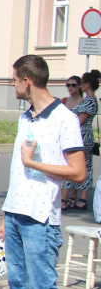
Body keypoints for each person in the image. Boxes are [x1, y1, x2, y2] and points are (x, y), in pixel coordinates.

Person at [0, 55, 85, 289]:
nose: (13, 85)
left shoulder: (65, 118)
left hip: (41, 216)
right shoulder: (25, 118)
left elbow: (78, 171)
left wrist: (36, 164)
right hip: (16, 212)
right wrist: (5, 213)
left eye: (14, 80)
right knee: (19, 287)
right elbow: (18, 170)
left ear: (27, 81)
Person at [59, 75, 95, 210]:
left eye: (77, 84)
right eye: (68, 85)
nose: (72, 88)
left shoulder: (89, 101)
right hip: (77, 137)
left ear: (87, 85)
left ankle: (75, 197)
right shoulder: (87, 100)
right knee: (77, 166)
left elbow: (80, 121)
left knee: (77, 166)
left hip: (82, 138)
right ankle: (73, 196)